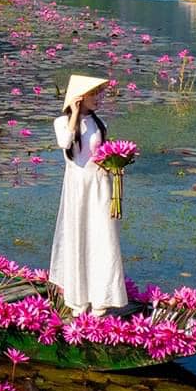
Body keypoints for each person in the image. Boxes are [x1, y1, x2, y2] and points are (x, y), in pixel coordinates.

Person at [49, 74, 128, 315]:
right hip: (77, 185)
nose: (99, 99)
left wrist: (117, 164)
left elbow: (102, 154)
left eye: (99, 93)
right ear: (79, 97)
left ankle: (101, 296)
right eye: (94, 94)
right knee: (78, 235)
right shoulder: (61, 123)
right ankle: (78, 298)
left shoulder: (99, 123)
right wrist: (74, 114)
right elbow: (65, 143)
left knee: (101, 235)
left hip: (99, 184)